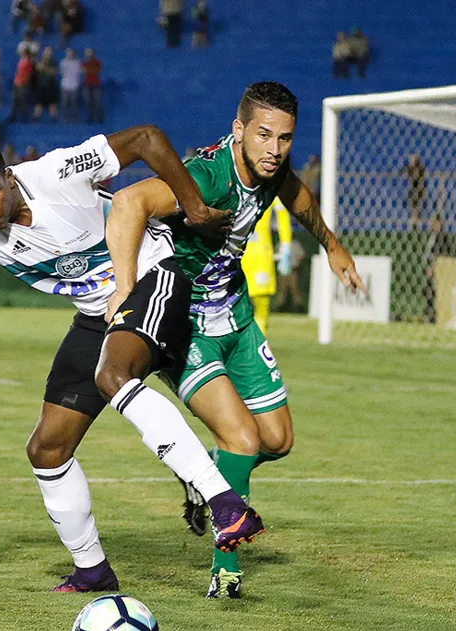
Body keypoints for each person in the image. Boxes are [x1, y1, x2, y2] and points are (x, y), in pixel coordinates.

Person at [0, 128, 263, 592]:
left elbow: (146, 138)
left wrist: (195, 207)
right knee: (46, 448)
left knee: (113, 374)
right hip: (96, 316)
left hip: (152, 274)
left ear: (8, 178)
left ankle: (227, 504)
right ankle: (93, 569)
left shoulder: (57, 172)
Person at [105, 82, 364, 599]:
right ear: (238, 130)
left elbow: (298, 196)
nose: (274, 149)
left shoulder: (271, 172)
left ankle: (204, 475)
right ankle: (226, 567)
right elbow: (129, 202)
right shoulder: (206, 176)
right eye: (264, 135)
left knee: (277, 440)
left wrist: (333, 247)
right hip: (185, 324)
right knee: (243, 439)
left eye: (285, 138)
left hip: (236, 317)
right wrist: (124, 289)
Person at [242, 197, 291, 335]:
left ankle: (258, 344)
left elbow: (282, 214)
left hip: (259, 254)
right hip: (233, 253)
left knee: (261, 303)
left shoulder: (271, 187)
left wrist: (286, 246)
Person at [33, 47, 58, 121]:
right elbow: (38, 68)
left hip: (51, 85)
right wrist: (46, 68)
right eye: (46, 52)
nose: (47, 54)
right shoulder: (40, 60)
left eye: (49, 52)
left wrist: (45, 68)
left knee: (52, 103)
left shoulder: (53, 62)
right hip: (40, 85)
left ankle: (53, 119)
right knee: (38, 103)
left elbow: (54, 72)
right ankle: (36, 118)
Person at [10, 48, 34, 122]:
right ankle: (13, 116)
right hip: (17, 82)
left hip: (22, 83)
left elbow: (29, 74)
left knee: (23, 100)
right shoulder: (21, 61)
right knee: (15, 100)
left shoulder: (29, 62)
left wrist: (25, 82)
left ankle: (25, 117)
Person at [59, 47, 81, 123]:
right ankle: (64, 119)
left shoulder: (77, 62)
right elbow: (62, 72)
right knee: (65, 103)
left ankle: (74, 119)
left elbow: (78, 72)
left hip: (74, 85)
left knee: (73, 103)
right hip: (65, 85)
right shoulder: (63, 62)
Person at [81, 48, 102, 124]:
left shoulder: (97, 62)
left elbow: (97, 70)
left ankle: (100, 118)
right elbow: (83, 70)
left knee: (97, 102)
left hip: (96, 84)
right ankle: (90, 118)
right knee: (88, 102)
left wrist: (88, 70)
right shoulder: (84, 62)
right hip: (87, 84)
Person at [405, 152, 425, 227]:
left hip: (419, 189)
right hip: (412, 189)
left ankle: (417, 221)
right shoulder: (409, 168)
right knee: (412, 206)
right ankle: (413, 220)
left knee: (417, 205)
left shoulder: (420, 168)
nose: (411, 160)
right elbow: (406, 174)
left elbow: (418, 177)